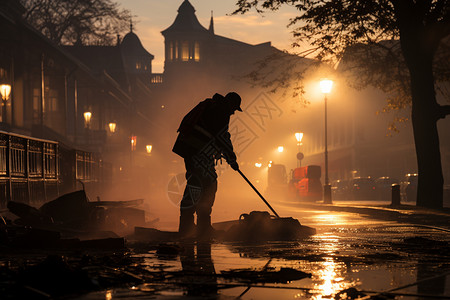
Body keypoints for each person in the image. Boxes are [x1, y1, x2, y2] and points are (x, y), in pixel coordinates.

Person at [172, 92, 242, 238]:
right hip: (197, 151)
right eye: (234, 108)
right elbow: (223, 137)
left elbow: (216, 136)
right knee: (206, 185)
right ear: (231, 104)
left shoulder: (214, 107)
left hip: (192, 150)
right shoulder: (221, 111)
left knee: (197, 184)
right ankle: (199, 227)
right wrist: (232, 159)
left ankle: (189, 226)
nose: (234, 112)